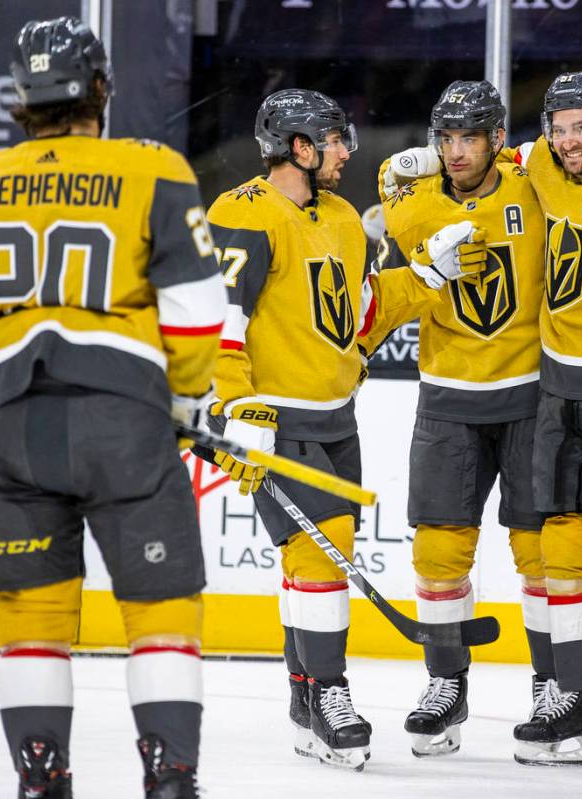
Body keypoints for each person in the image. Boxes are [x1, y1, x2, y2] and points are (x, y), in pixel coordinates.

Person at [0, 17, 225, 798]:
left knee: (31, 620)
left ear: (20, 97)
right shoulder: (152, 168)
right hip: (121, 418)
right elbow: (194, 310)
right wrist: (187, 400)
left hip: (6, 427)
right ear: (101, 88)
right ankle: (167, 778)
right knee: (161, 611)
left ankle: (40, 779)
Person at [382, 69, 582, 767]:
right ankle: (465, 685)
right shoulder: (480, 182)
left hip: (550, 393)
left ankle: (576, 689)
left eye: (581, 127)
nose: (566, 141)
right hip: (492, 395)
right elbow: (392, 226)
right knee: (482, 553)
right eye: (557, 128)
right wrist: (403, 166)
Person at [205, 88, 479, 771]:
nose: (346, 151)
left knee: (310, 562)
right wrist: (239, 409)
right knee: (320, 557)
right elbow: (220, 321)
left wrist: (425, 276)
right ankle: (330, 696)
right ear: (298, 146)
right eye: (333, 139)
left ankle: (304, 702)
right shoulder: (240, 213)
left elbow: (361, 315)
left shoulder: (343, 222)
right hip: (274, 417)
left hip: (336, 417)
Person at [365, 80, 549, 759]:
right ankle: (445, 683)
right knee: (438, 552)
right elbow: (391, 172)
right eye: (444, 138)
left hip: (529, 395)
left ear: (497, 138)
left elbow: (568, 155)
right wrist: (413, 161)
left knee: (539, 553)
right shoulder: (410, 201)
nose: (454, 151)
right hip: (445, 398)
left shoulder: (532, 185)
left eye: (469, 136)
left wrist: (526, 155)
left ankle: (552, 686)